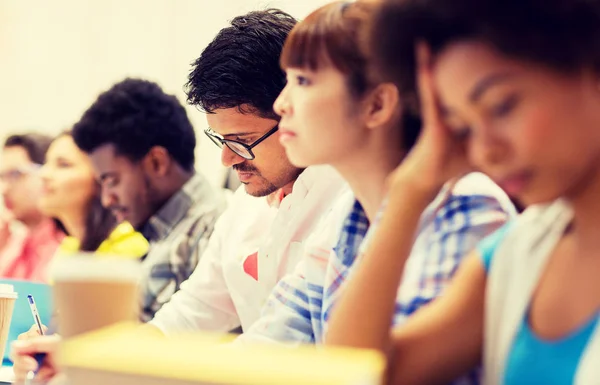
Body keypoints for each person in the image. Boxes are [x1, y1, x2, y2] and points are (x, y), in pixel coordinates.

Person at [12, 10, 349, 382]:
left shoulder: (343, 201)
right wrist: (84, 358)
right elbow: (184, 318)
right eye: (220, 140)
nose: (226, 158)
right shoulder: (243, 209)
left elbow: (277, 349)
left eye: (242, 141)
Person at [325, 0, 600, 384]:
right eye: (462, 127)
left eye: (501, 106)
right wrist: (409, 189)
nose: (485, 150)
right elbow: (351, 374)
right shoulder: (517, 254)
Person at [237, 0, 514, 356]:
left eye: (303, 81)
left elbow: (375, 370)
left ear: (378, 104)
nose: (280, 104)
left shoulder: (469, 208)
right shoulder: (344, 215)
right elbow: (267, 344)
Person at [71, 78, 226, 321]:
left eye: (111, 180)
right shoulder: (166, 234)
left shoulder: (215, 228)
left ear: (157, 162)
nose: (106, 199)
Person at [39, 132, 148, 258]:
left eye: (63, 165)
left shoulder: (129, 248)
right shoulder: (68, 249)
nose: (43, 174)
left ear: (101, 178)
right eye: (45, 162)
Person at [0, 133, 64, 281]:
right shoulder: (12, 245)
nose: (4, 189)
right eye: (2, 177)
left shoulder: (69, 248)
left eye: (15, 174)